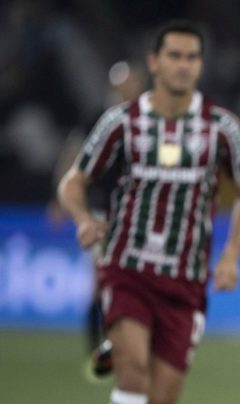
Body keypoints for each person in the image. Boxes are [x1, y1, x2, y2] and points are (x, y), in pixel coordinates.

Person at [58, 20, 240, 404]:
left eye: (192, 57)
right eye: (173, 55)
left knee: (162, 399)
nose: (183, 65)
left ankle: (119, 353)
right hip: (125, 266)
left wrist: (232, 254)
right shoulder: (120, 123)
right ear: (154, 62)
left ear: (200, 65)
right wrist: (84, 221)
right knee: (132, 378)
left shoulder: (221, 127)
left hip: (186, 278)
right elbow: (73, 182)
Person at [49, 60, 146, 370]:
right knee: (102, 280)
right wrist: (60, 199)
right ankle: (98, 349)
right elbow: (73, 155)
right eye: (126, 83)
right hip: (102, 211)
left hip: (137, 213)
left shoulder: (149, 119)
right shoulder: (100, 118)